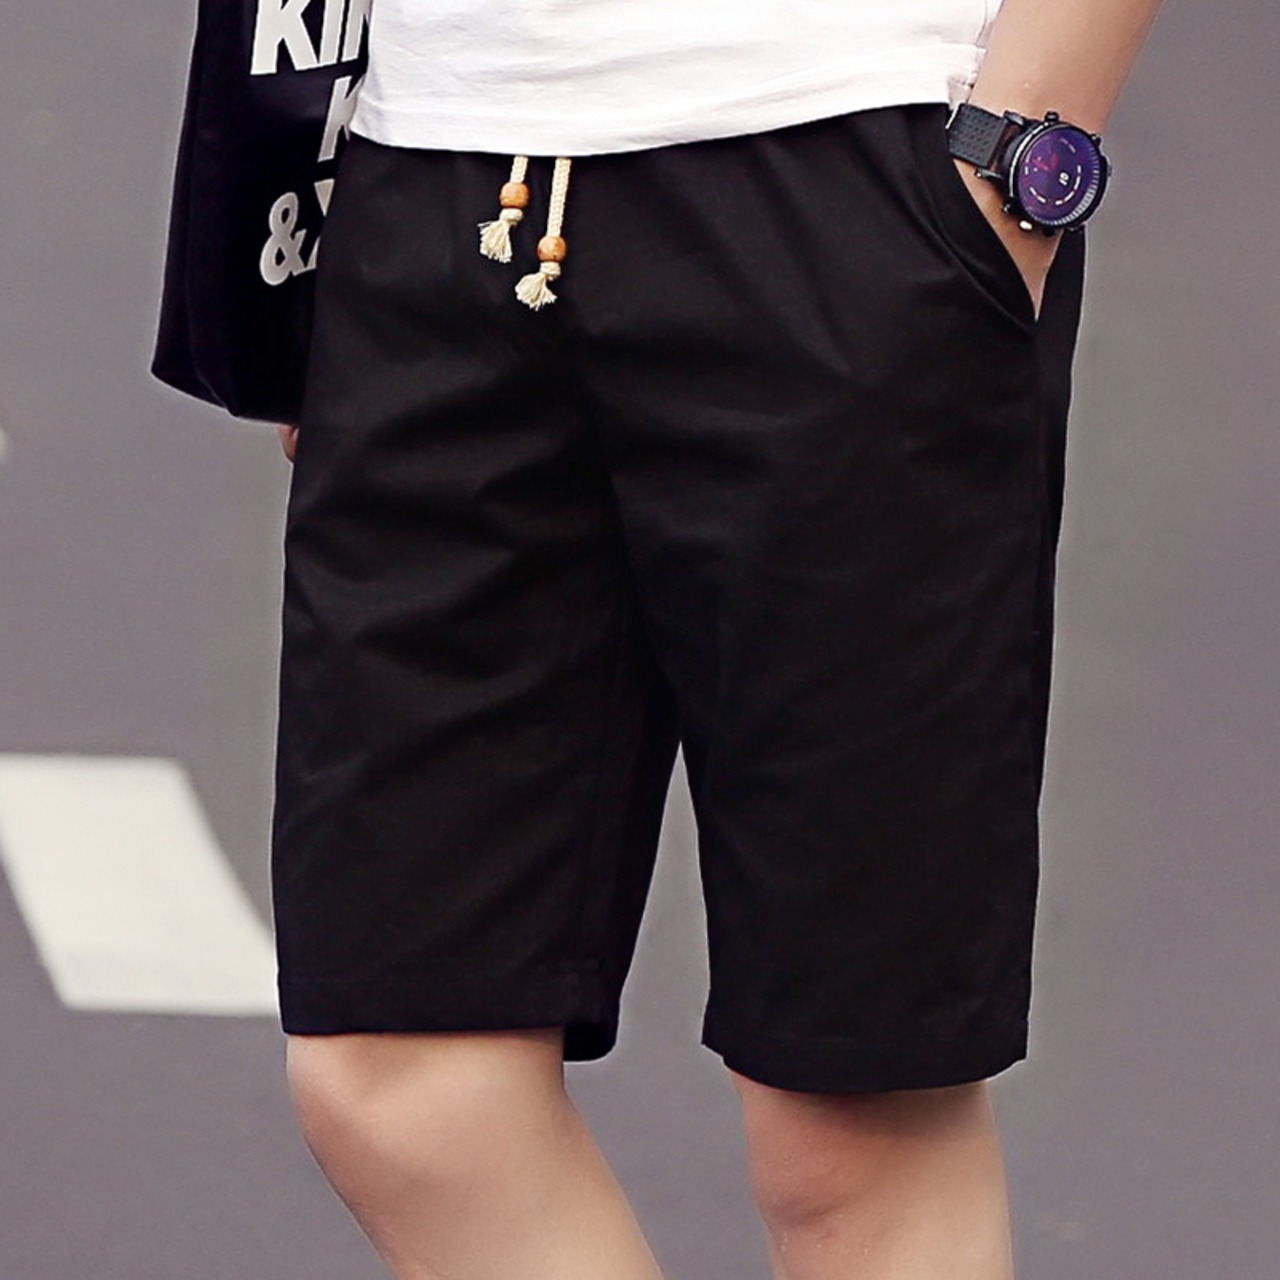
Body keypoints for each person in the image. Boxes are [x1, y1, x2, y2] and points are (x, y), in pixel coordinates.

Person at [269, 1, 1163, 1276]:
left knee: (851, 1119)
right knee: (400, 1073)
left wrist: (1017, 152)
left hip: (840, 155)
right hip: (427, 170)